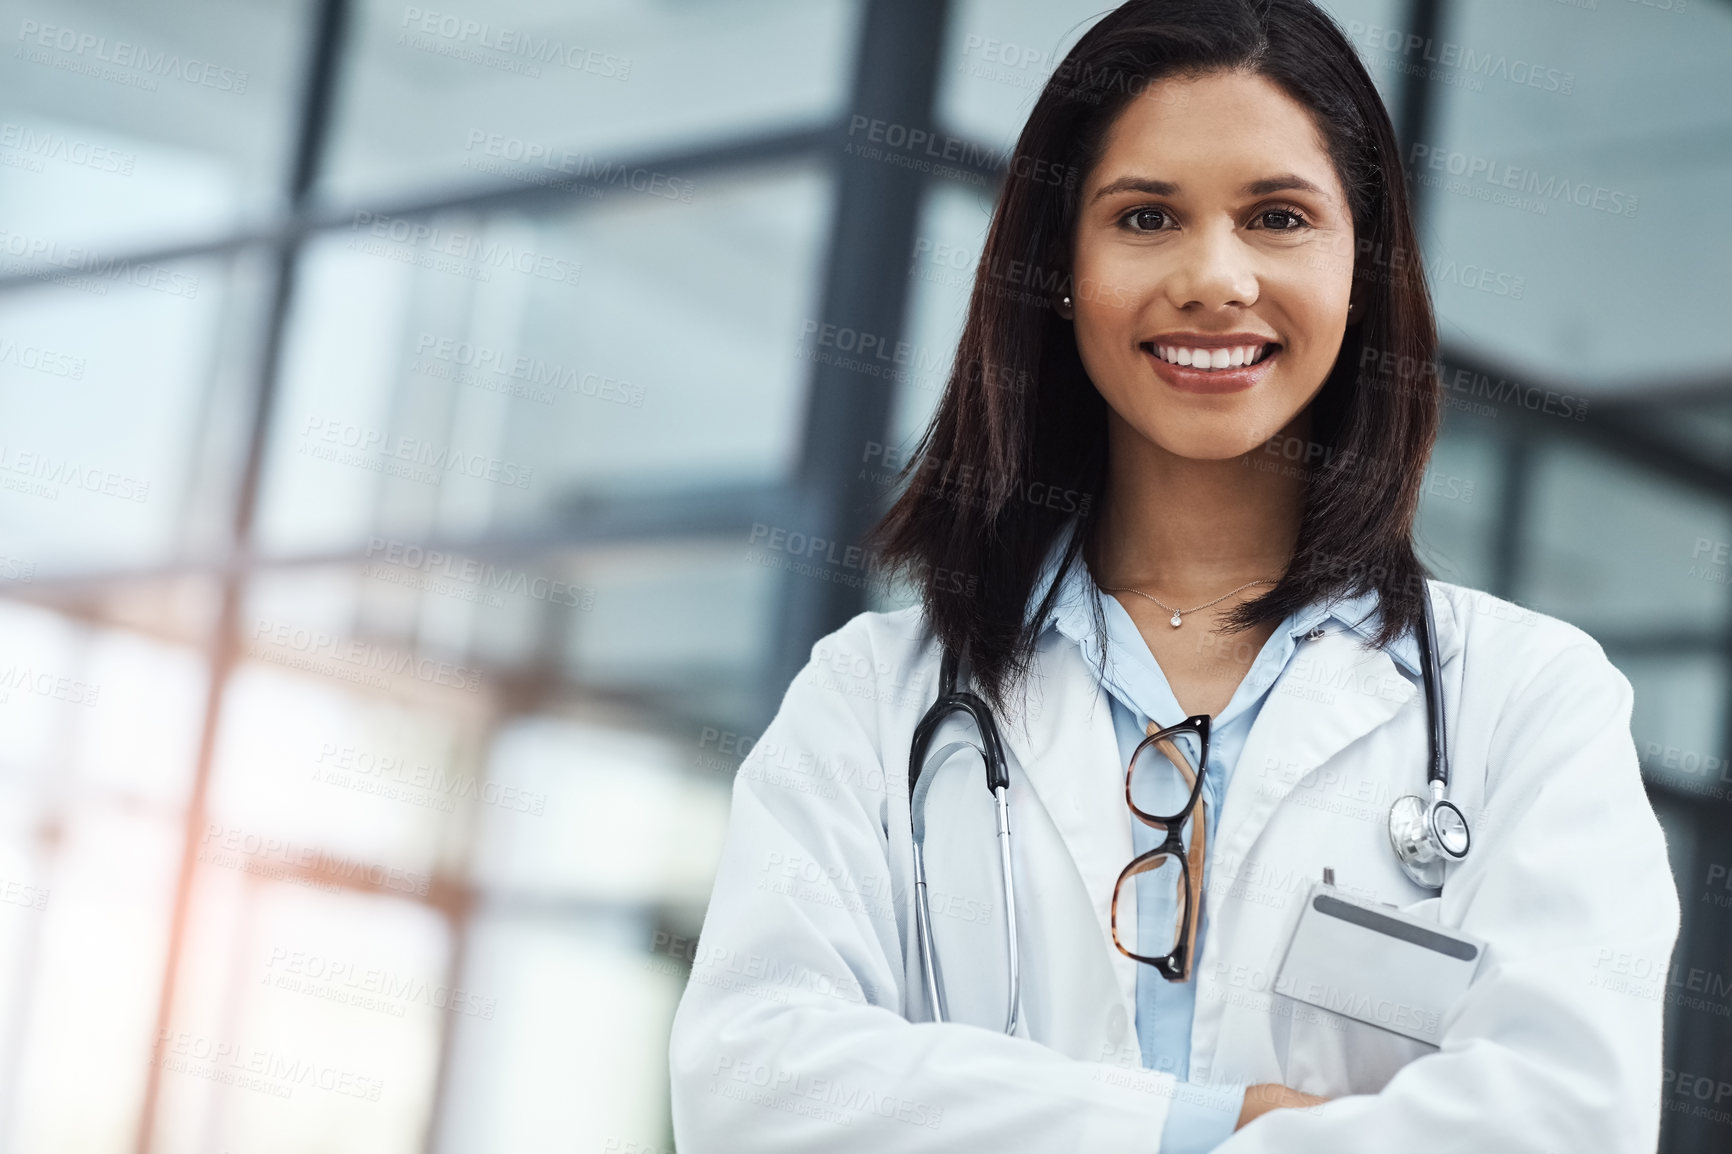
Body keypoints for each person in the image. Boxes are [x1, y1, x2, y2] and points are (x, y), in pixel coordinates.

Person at [668, 1, 1680, 1150]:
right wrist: (1201, 1121)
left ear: (1362, 268)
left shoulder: (1527, 700)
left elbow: (1562, 1120)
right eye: (1145, 216)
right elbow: (749, 1086)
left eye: (1278, 217)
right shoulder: (869, 699)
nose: (1213, 278)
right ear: (1060, 267)